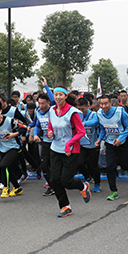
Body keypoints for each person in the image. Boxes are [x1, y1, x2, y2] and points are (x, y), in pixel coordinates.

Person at [47, 86, 91, 217]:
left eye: (61, 95)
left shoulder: (72, 112)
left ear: (66, 96)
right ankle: (65, 206)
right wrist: (50, 133)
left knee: (66, 181)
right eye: (56, 95)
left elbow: (81, 132)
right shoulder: (51, 110)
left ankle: (83, 186)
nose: (58, 97)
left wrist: (69, 144)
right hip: (55, 148)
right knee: (54, 180)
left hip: (71, 150)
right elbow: (51, 127)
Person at [96, 94, 128, 201]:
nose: (103, 106)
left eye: (105, 104)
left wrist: (120, 139)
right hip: (110, 143)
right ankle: (113, 191)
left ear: (111, 103)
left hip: (122, 143)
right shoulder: (99, 113)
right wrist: (99, 139)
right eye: (101, 104)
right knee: (110, 167)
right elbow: (103, 128)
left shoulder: (120, 112)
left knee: (124, 165)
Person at [77, 97, 102, 193]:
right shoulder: (77, 115)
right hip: (82, 145)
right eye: (79, 109)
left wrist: (83, 123)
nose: (81, 111)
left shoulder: (93, 114)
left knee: (93, 166)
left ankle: (97, 183)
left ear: (87, 106)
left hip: (93, 145)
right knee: (79, 163)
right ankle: (87, 176)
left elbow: (94, 122)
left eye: (82, 109)